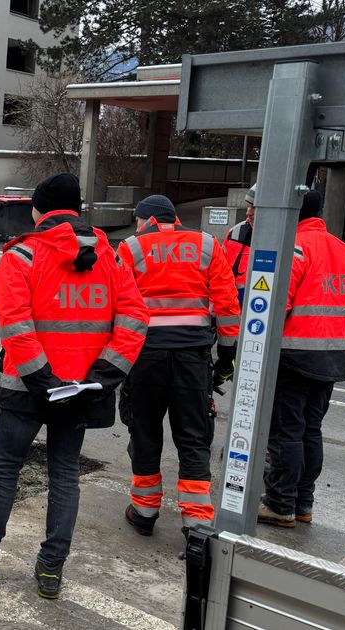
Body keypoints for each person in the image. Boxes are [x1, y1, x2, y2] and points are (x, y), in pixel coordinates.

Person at [0, 173, 148, 599]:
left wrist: (42, 381)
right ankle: (50, 572)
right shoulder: (111, 258)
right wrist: (100, 379)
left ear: (39, 210)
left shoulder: (23, 257)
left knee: (5, 470)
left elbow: (17, 328)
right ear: (78, 210)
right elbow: (134, 321)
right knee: (65, 476)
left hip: (26, 390)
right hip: (80, 392)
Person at [116, 195, 240, 537]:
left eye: (138, 220)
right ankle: (197, 521)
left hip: (145, 356)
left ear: (147, 219)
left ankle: (144, 510)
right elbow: (228, 306)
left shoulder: (130, 247)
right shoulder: (208, 244)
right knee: (193, 436)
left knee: (144, 431)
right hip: (193, 356)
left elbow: (117, 305)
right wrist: (226, 357)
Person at [259, 191, 345, 527]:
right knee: (310, 430)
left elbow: (275, 307)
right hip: (333, 356)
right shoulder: (344, 250)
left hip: (296, 355)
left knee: (286, 431)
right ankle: (303, 503)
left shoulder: (296, 248)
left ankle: (279, 503)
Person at [223, 185, 256, 302]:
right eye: (248, 206)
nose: (248, 213)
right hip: (234, 306)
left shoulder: (287, 238)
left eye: (255, 207)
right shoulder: (235, 233)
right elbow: (220, 274)